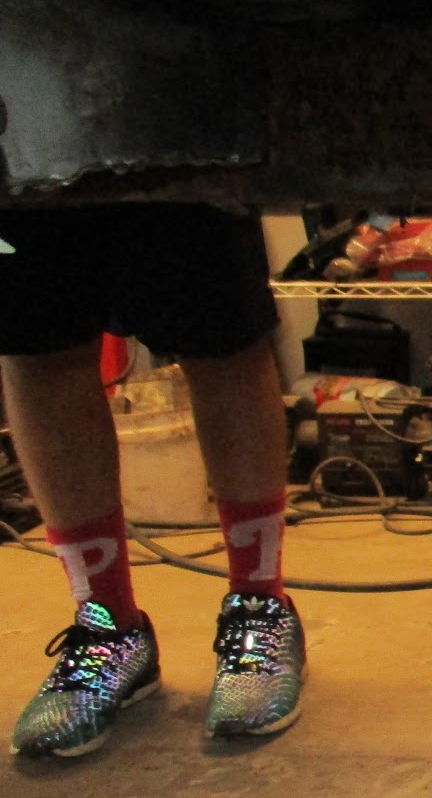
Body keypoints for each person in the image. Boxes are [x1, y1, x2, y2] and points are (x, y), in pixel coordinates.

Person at [0, 203, 305, 757]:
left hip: (179, 151)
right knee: (36, 340)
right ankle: (108, 626)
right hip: (21, 154)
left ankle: (260, 607)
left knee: (220, 328)